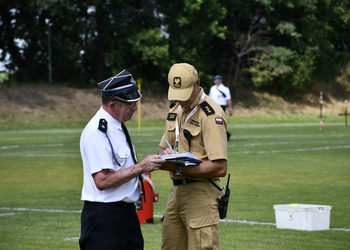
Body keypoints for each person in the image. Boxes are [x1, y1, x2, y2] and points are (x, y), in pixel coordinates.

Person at [79, 69, 165, 250]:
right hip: (104, 217)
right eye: (130, 104)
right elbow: (102, 180)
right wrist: (142, 167)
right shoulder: (97, 131)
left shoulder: (116, 125)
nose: (135, 108)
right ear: (112, 105)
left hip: (126, 213)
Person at [158, 63, 228, 250]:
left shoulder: (210, 114)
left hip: (201, 194)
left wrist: (178, 167)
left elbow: (220, 167)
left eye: (185, 94)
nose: (181, 100)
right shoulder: (175, 110)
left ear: (198, 83)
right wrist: (167, 155)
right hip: (176, 193)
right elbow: (162, 149)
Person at [209, 75, 232, 140]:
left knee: (219, 120)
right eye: (216, 80)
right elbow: (210, 98)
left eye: (218, 80)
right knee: (215, 120)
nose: (217, 82)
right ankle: (226, 134)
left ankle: (224, 134)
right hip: (214, 106)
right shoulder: (212, 88)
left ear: (221, 81)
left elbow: (228, 99)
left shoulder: (225, 89)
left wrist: (230, 108)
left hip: (221, 106)